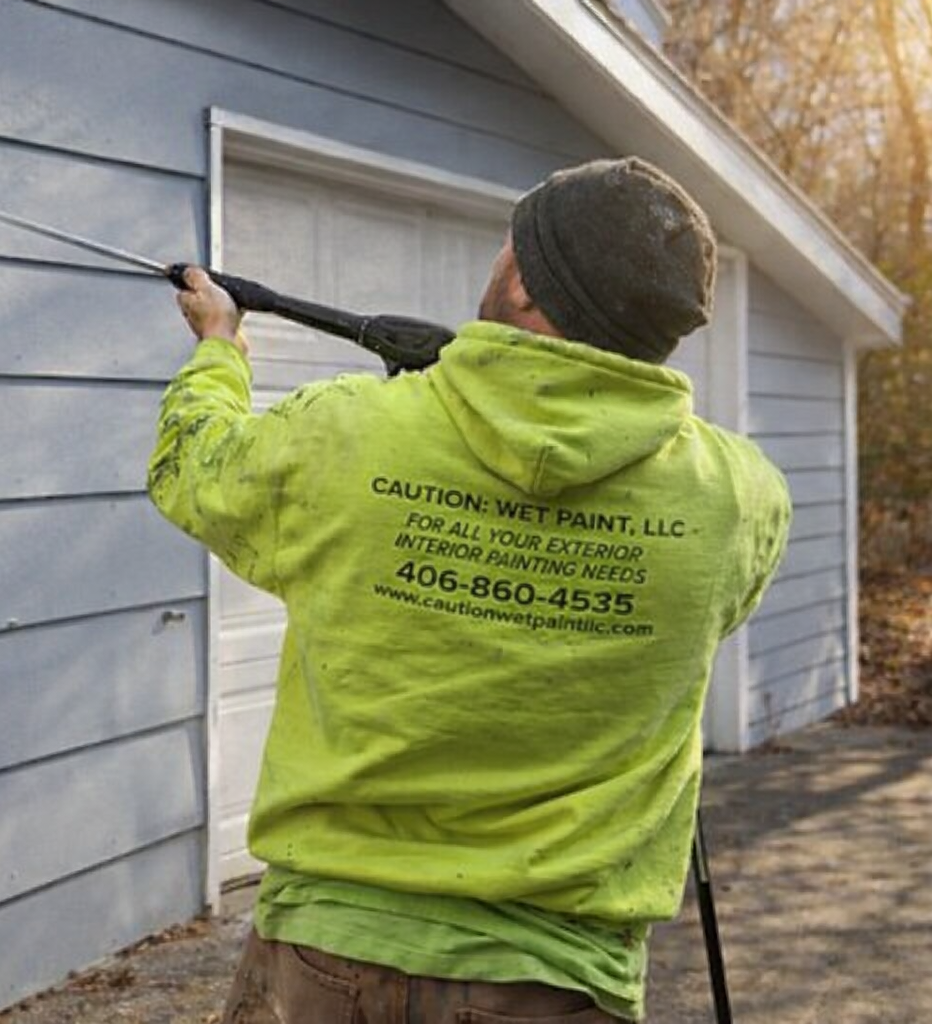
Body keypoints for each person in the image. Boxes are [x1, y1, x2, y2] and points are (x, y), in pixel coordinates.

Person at [148, 157, 791, 1023]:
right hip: (556, 983)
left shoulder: (343, 432)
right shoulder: (739, 499)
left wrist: (219, 352)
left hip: (326, 960)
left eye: (508, 247)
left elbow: (194, 470)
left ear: (522, 283)